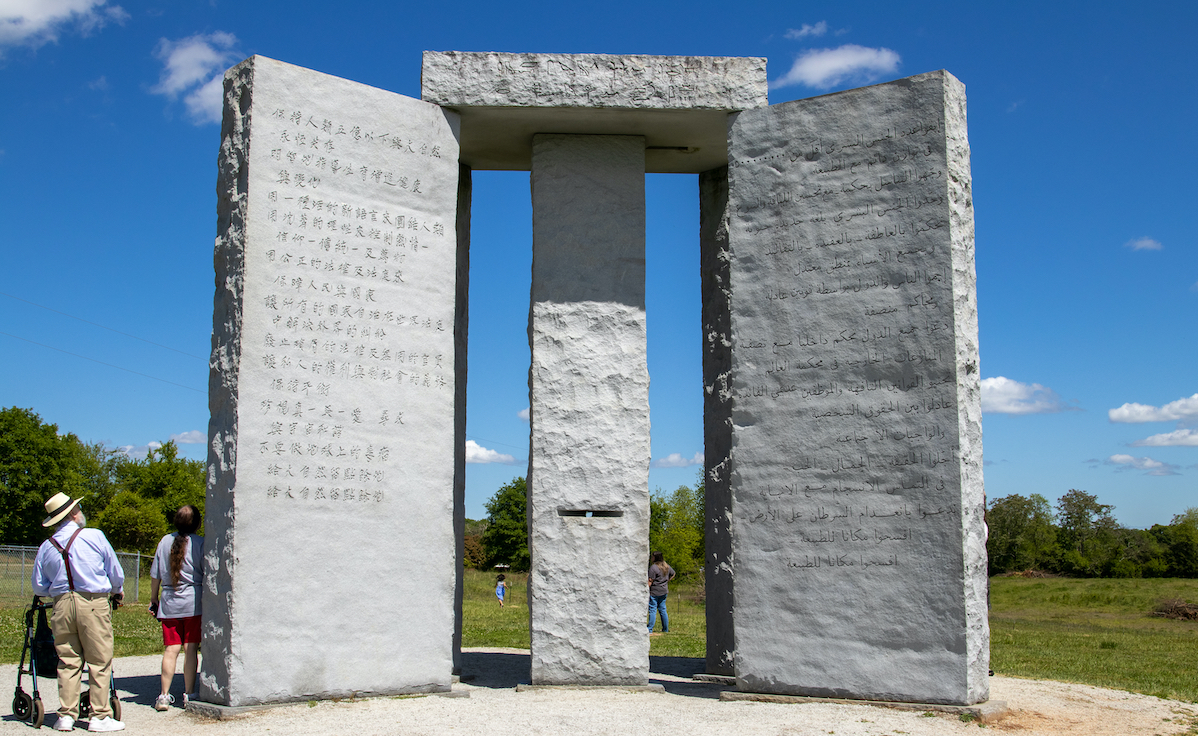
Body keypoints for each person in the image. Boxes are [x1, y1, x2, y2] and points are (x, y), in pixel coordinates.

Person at [31, 493, 126, 733]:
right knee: (99, 659)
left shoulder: (46, 546)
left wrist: (58, 590)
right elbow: (115, 571)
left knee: (68, 660)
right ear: (74, 514)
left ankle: (66, 715)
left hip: (61, 604)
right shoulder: (94, 536)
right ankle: (99, 715)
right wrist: (117, 590)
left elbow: (39, 586)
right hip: (92, 601)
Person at [149, 505, 203, 711]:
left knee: (171, 649)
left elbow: (155, 574)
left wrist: (154, 599)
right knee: (190, 649)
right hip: (192, 603)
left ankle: (164, 695)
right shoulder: (200, 543)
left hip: (169, 603)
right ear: (197, 524)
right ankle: (189, 693)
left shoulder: (164, 541)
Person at [646, 551, 675, 634]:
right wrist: (666, 581)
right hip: (664, 591)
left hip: (655, 592)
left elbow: (650, 580)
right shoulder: (666, 566)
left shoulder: (653, 568)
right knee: (662, 610)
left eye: (652, 557)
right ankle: (665, 629)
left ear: (655, 558)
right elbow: (673, 574)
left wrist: (646, 589)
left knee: (652, 610)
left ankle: (650, 628)